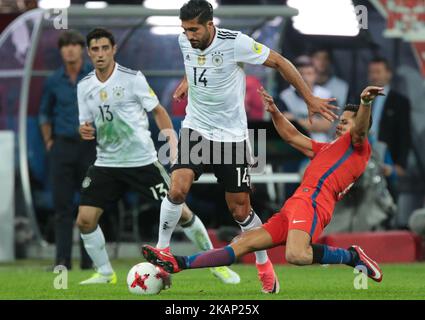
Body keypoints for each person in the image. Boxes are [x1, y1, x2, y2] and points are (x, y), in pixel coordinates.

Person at [151, 0, 337, 294]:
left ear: (210, 25)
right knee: (177, 188)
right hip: (196, 129)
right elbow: (194, 58)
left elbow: (280, 61)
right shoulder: (185, 40)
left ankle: (263, 264)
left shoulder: (235, 43)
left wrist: (309, 99)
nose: (189, 36)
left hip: (231, 138)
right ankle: (162, 253)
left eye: (194, 30)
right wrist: (189, 81)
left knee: (240, 210)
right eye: (185, 30)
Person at [142, 86, 384, 287]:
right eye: (340, 121)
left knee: (296, 255)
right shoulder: (327, 149)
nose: (340, 125)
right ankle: (178, 263)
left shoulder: (358, 148)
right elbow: (292, 137)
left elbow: (360, 130)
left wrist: (365, 102)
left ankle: (352, 256)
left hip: (314, 203)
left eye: (346, 122)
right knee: (241, 244)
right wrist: (275, 112)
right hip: (296, 204)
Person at [76, 28, 239, 285]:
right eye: (95, 49)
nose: (100, 54)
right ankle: (105, 273)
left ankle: (216, 264)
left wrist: (171, 140)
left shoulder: (132, 79)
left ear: (114, 49)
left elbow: (159, 110)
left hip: (142, 161)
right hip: (106, 163)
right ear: (89, 52)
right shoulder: (84, 86)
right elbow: (86, 123)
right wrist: (84, 129)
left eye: (105, 48)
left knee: (183, 213)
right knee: (84, 220)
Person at [38, 30, 94, 270]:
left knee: (90, 204)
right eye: (65, 45)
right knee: (62, 207)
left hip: (90, 148)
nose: (70, 49)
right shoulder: (53, 80)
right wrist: (49, 141)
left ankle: (89, 260)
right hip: (62, 146)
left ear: (82, 49)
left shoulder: (94, 77)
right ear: (61, 51)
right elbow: (44, 113)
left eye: (74, 45)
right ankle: (62, 261)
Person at [367, 57, 411, 179]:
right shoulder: (362, 98)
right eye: (371, 72)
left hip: (388, 160)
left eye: (378, 72)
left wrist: (400, 165)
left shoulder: (400, 102)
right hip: (364, 158)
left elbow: (404, 135)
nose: (374, 76)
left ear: (388, 74)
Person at [278, 55, 333, 142]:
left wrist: (295, 121)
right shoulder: (285, 97)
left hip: (321, 144)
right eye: (301, 74)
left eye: (309, 73)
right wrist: (313, 123)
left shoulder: (325, 95)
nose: (305, 78)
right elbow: (283, 126)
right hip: (295, 144)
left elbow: (326, 125)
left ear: (315, 75)